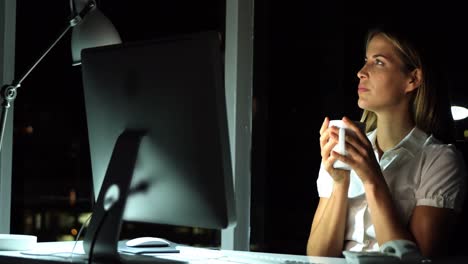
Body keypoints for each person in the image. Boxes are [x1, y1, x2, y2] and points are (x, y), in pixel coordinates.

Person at [306, 26, 467, 258]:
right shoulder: (346, 148)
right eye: (365, 60)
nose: (361, 72)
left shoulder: (439, 160)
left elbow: (416, 259)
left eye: (378, 62)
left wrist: (371, 178)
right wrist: (340, 183)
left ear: (412, 79)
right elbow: (317, 257)